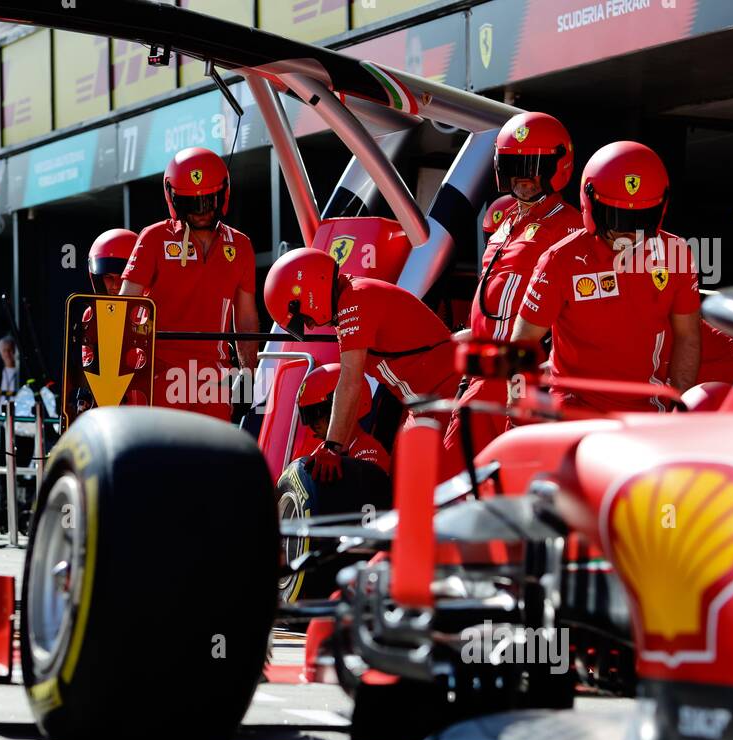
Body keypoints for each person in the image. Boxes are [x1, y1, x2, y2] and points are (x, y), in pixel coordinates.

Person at [511, 142, 701, 412]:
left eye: (640, 219)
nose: (628, 232)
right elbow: (523, 342)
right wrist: (517, 406)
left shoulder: (676, 254)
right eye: (617, 217)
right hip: (573, 412)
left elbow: (688, 336)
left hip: (647, 413)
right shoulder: (560, 260)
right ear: (591, 205)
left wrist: (679, 408)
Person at [445, 112, 585, 456]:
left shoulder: (575, 228)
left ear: (558, 166)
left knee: (494, 478)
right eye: (513, 165)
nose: (524, 177)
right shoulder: (504, 219)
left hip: (523, 377)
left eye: (535, 165)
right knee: (452, 475)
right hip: (479, 375)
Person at [263, 246, 460, 481]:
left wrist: (332, 447)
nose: (312, 326)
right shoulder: (352, 299)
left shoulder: (356, 299)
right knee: (401, 493)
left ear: (310, 293)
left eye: (304, 318)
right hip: (426, 405)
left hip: (450, 398)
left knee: (443, 492)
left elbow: (349, 382)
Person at [119, 147, 258, 421]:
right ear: (173, 199)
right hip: (160, 374)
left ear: (224, 194)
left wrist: (248, 374)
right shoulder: (154, 238)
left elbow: (245, 319)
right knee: (164, 459)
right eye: (191, 203)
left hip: (214, 378)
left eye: (209, 200)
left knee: (213, 460)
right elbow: (123, 307)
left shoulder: (241, 246)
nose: (202, 212)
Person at [293, 363, 389, 474]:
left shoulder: (369, 453)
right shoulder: (321, 451)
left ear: (342, 408)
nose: (315, 424)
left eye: (319, 414)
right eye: (309, 416)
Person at [87, 228, 137, 294]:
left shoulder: (153, 304)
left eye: (123, 276)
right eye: (108, 276)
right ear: (97, 280)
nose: (115, 286)